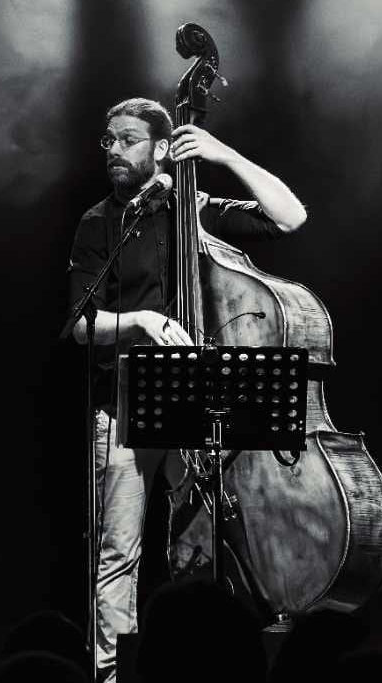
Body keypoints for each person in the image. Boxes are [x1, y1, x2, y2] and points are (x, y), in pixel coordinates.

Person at [65, 97, 308, 682]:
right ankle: (109, 676)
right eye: (109, 141)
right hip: (120, 406)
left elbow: (290, 216)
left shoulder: (190, 209)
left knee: (199, 551)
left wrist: (221, 153)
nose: (114, 151)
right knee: (117, 553)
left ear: (162, 148)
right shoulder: (99, 223)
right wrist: (143, 323)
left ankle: (195, 669)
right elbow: (80, 325)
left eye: (128, 140)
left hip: (198, 404)